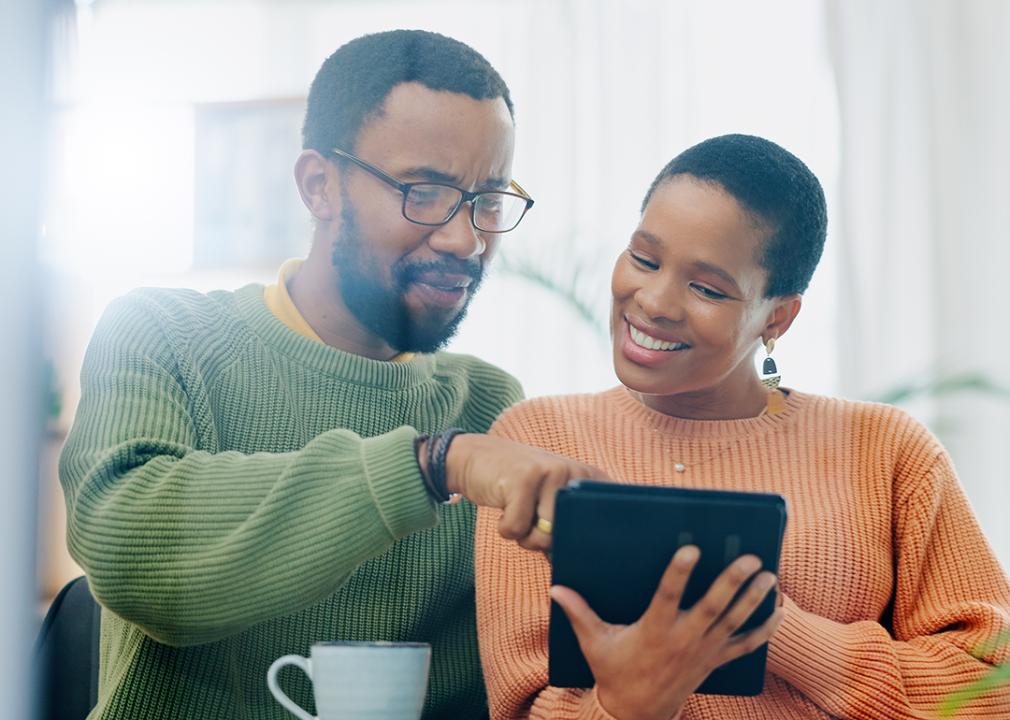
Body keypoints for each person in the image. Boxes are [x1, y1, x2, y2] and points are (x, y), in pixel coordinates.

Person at [59, 30, 605, 720]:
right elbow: (133, 552)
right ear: (319, 185)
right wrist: (434, 463)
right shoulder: (163, 334)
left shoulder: (491, 403)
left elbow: (508, 683)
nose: (465, 239)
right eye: (426, 192)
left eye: (488, 200)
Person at [475, 134, 1010, 720]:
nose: (653, 300)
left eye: (707, 288)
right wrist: (632, 699)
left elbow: (992, 687)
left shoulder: (885, 449)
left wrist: (767, 625)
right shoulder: (534, 441)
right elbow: (524, 706)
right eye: (644, 259)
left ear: (777, 316)